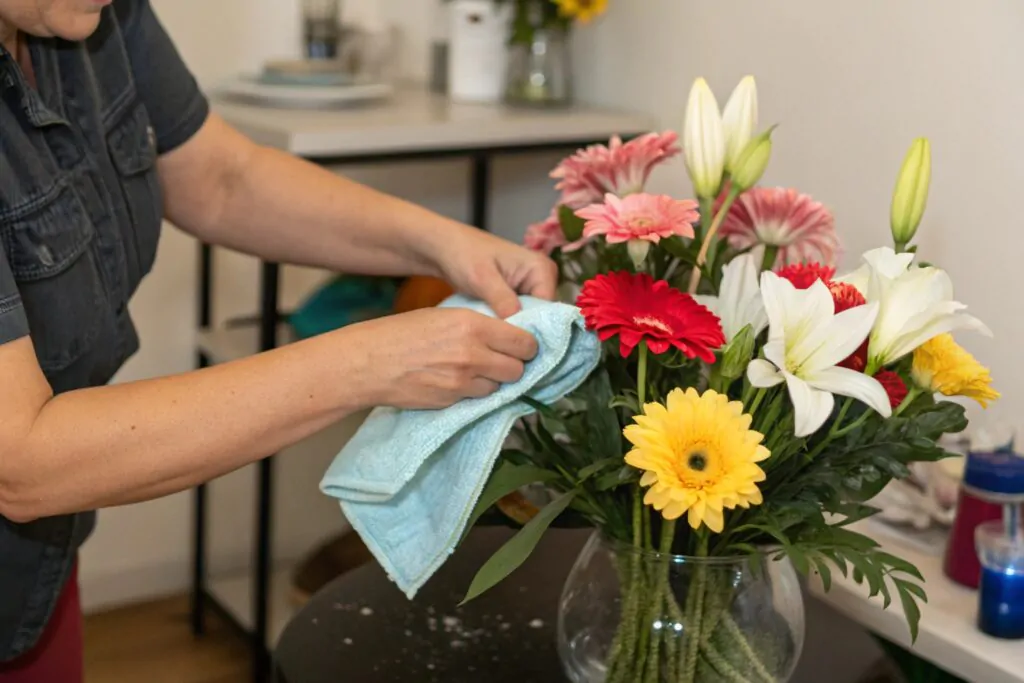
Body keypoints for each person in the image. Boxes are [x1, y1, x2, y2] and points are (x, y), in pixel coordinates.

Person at [0, 0, 556, 680]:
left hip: (36, 571)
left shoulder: (84, 16)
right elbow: (23, 459)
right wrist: (369, 361)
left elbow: (222, 179)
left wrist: (441, 244)